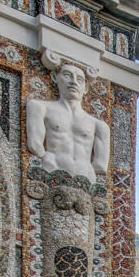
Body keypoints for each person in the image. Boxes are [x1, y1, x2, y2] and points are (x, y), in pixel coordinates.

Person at [26, 55, 111, 184]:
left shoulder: (99, 125)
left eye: (80, 79)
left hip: (85, 180)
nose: (74, 82)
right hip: (51, 172)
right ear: (55, 77)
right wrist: (47, 160)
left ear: (86, 88)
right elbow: (35, 145)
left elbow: (101, 164)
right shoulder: (40, 107)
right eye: (67, 75)